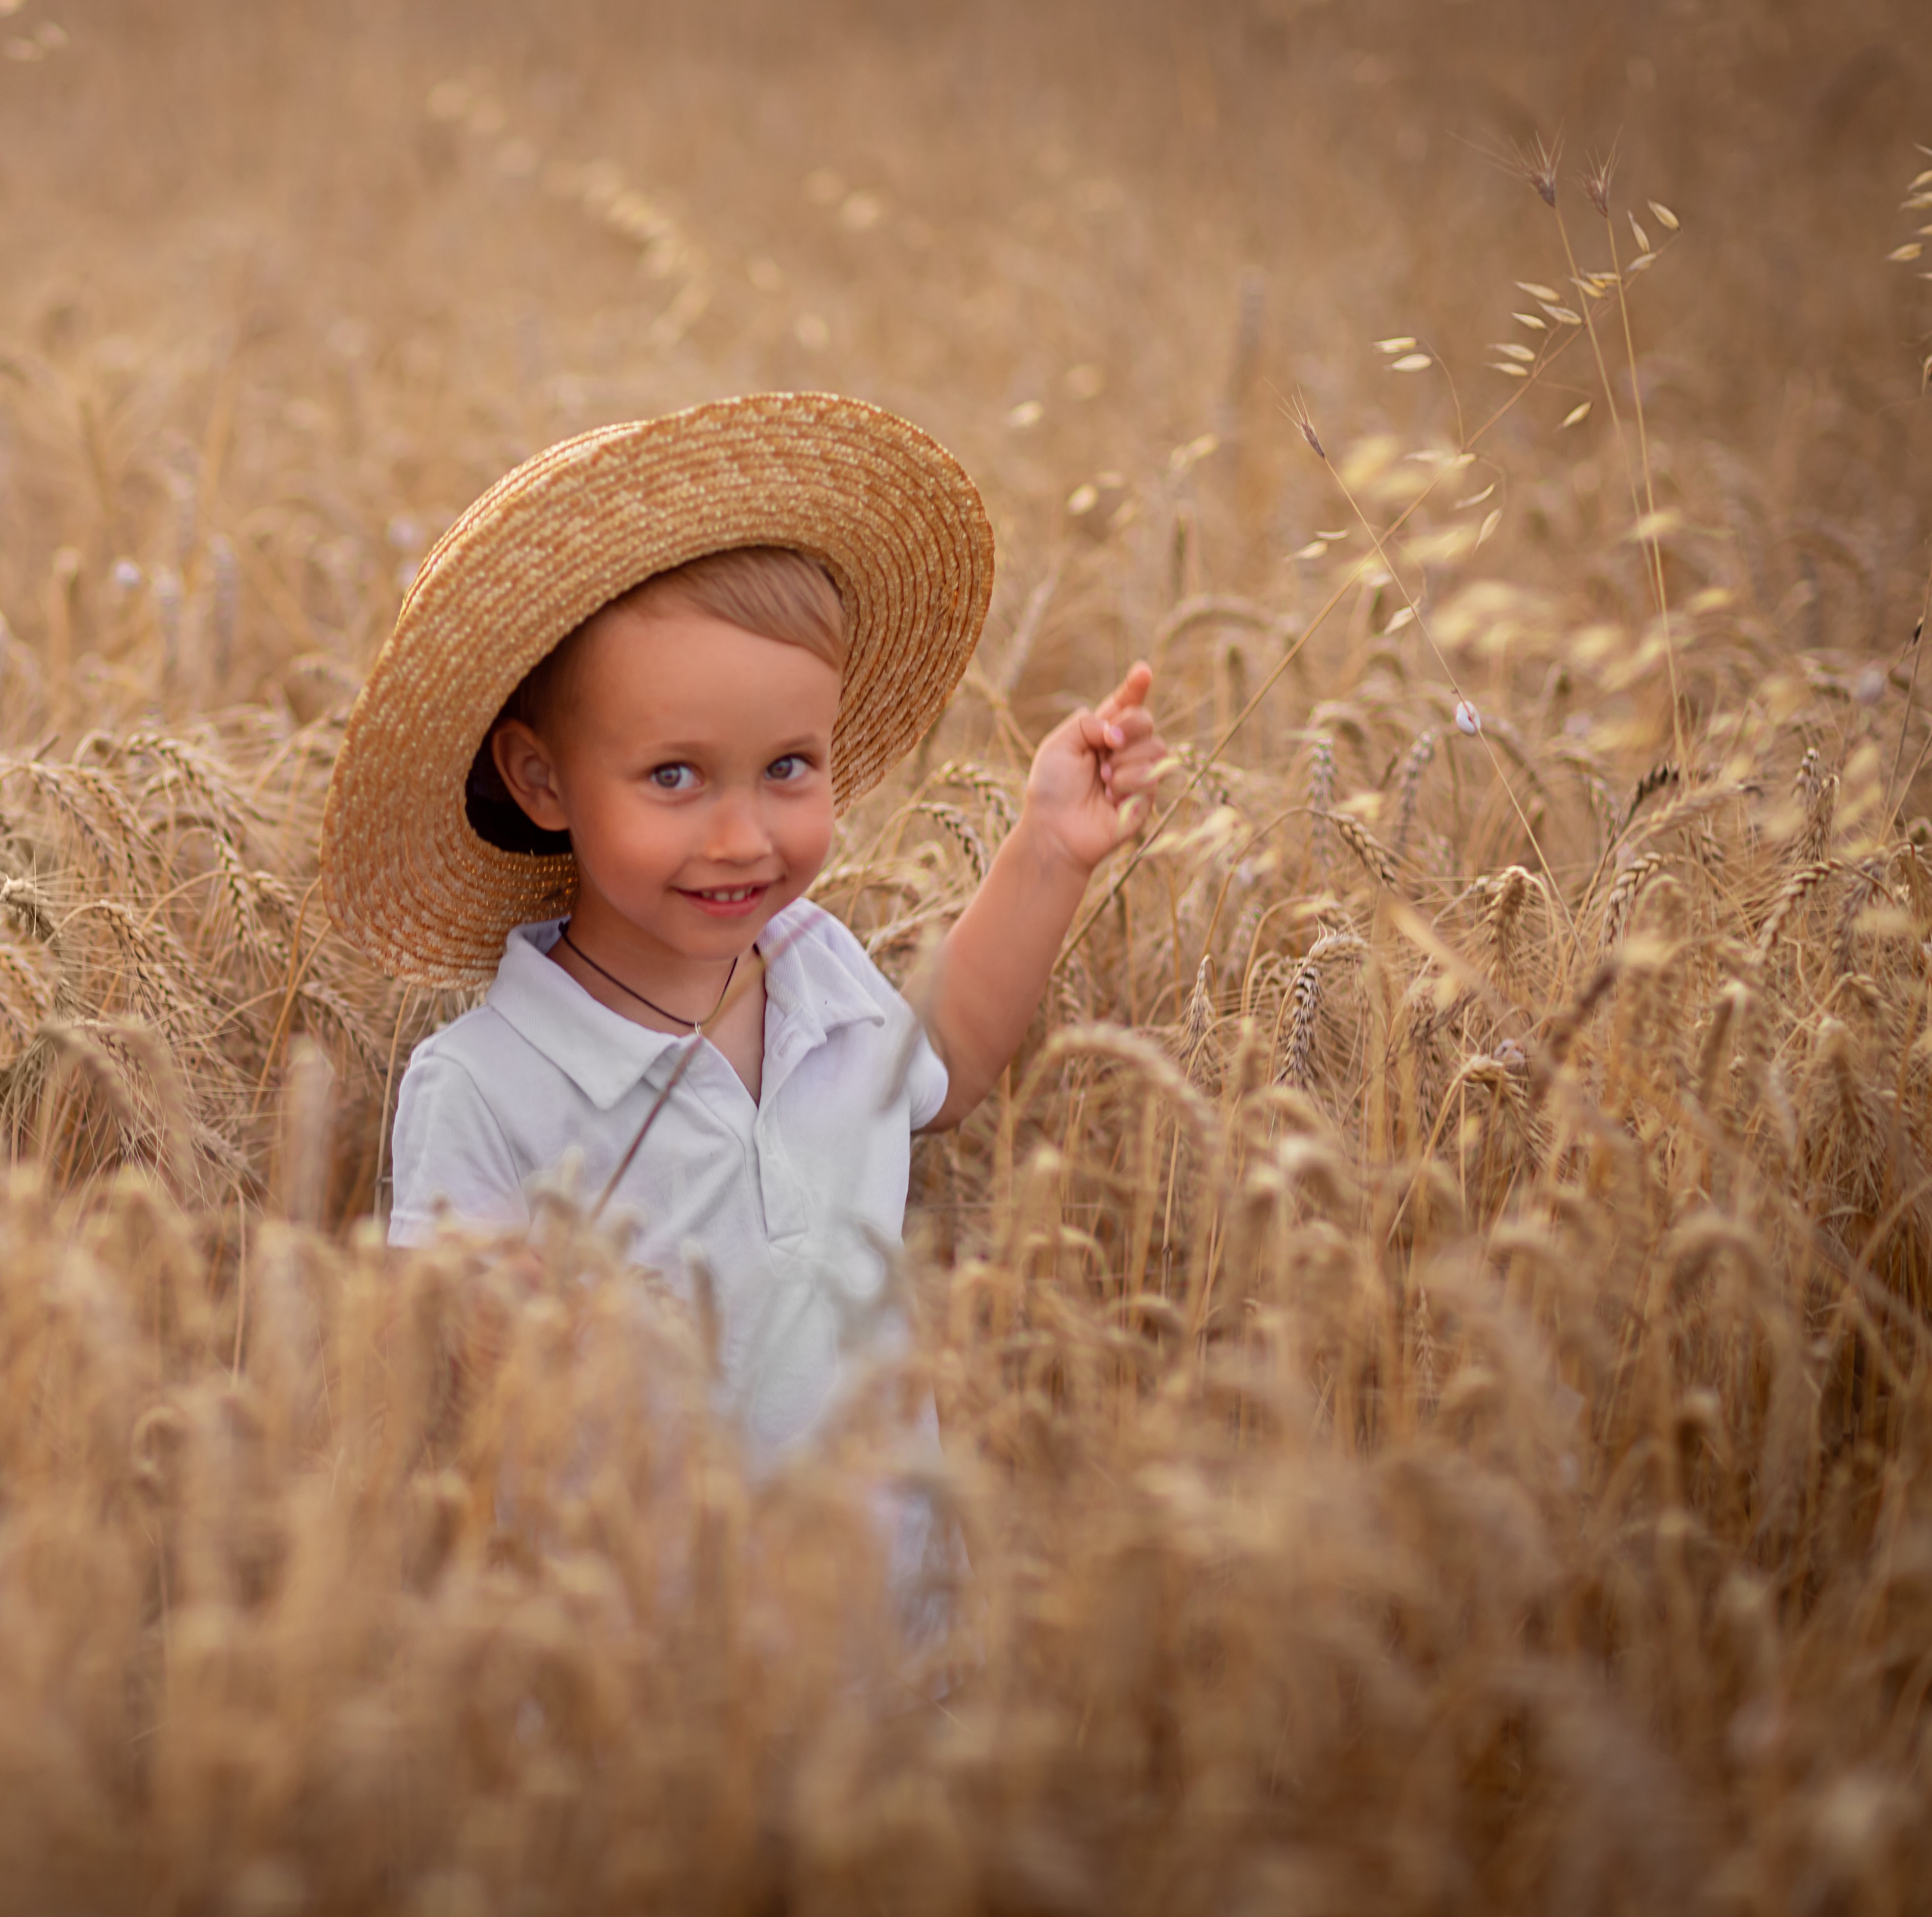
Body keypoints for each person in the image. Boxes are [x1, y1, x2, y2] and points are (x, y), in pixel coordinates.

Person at [319, 392, 1164, 1463]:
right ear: (541, 780)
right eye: (674, 775)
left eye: (787, 769)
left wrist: (1049, 846)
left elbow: (945, 1062)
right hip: (648, 1614)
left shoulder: (815, 963)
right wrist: (499, 1324)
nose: (742, 836)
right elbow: (422, 1358)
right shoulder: (488, 1080)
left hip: (892, 1605)